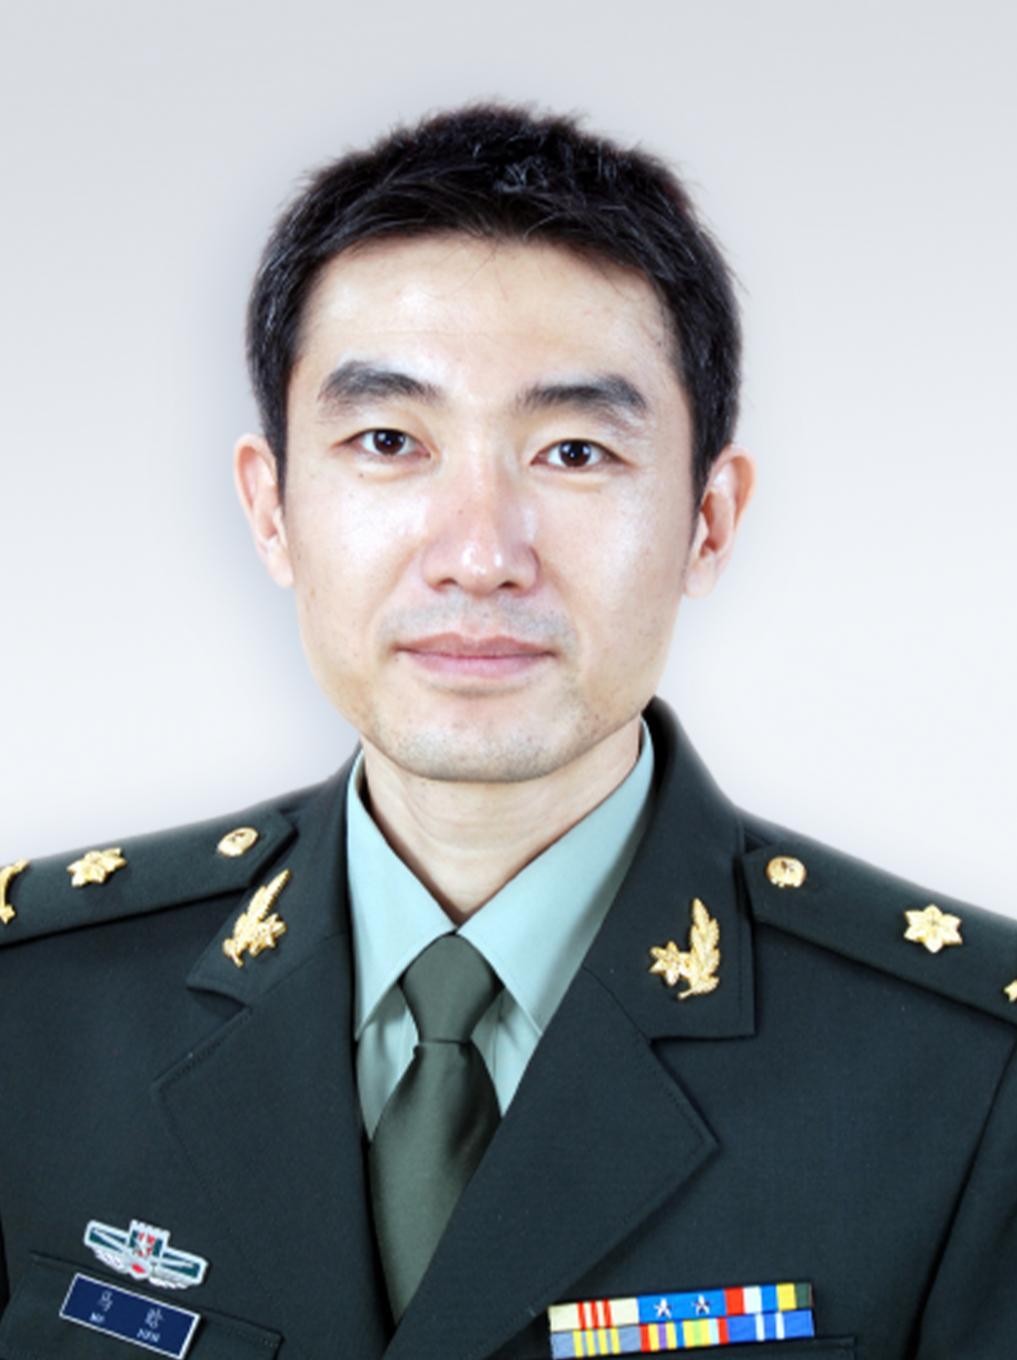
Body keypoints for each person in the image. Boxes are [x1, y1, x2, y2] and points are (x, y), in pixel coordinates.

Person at [1, 102, 1015, 1360]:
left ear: (707, 520)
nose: (479, 554)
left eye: (574, 452)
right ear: (272, 509)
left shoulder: (968, 1077)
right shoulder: (39, 1007)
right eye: (388, 441)